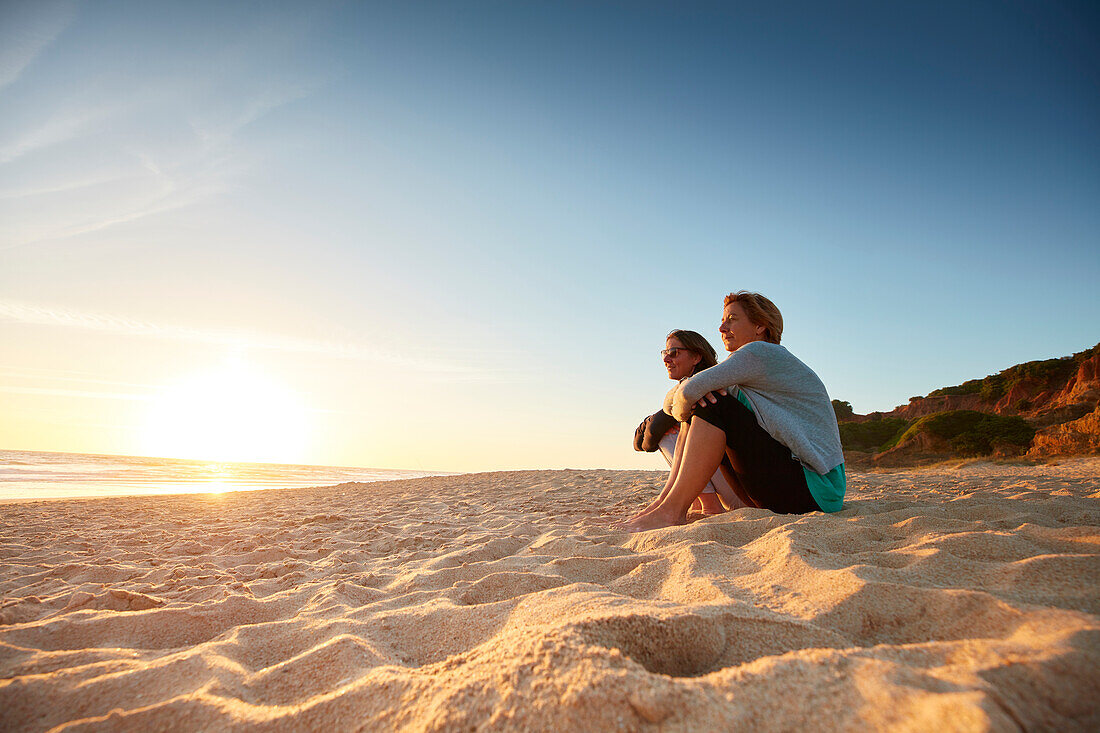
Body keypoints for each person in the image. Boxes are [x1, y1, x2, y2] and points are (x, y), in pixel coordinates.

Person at [622, 291, 846, 532]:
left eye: (732, 319)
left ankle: (671, 510)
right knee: (706, 400)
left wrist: (686, 401)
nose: (721, 327)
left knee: (713, 404)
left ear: (760, 326)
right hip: (794, 489)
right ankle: (665, 504)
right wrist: (687, 400)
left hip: (816, 489)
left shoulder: (760, 352)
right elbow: (686, 391)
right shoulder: (747, 367)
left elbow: (687, 392)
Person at [633, 330, 745, 515]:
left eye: (674, 352)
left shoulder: (706, 390)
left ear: (696, 357)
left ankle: (708, 504)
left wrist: (654, 427)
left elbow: (652, 435)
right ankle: (698, 503)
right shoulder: (685, 391)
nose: (666, 359)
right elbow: (645, 440)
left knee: (675, 428)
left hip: (740, 492)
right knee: (673, 425)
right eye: (665, 353)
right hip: (734, 488)